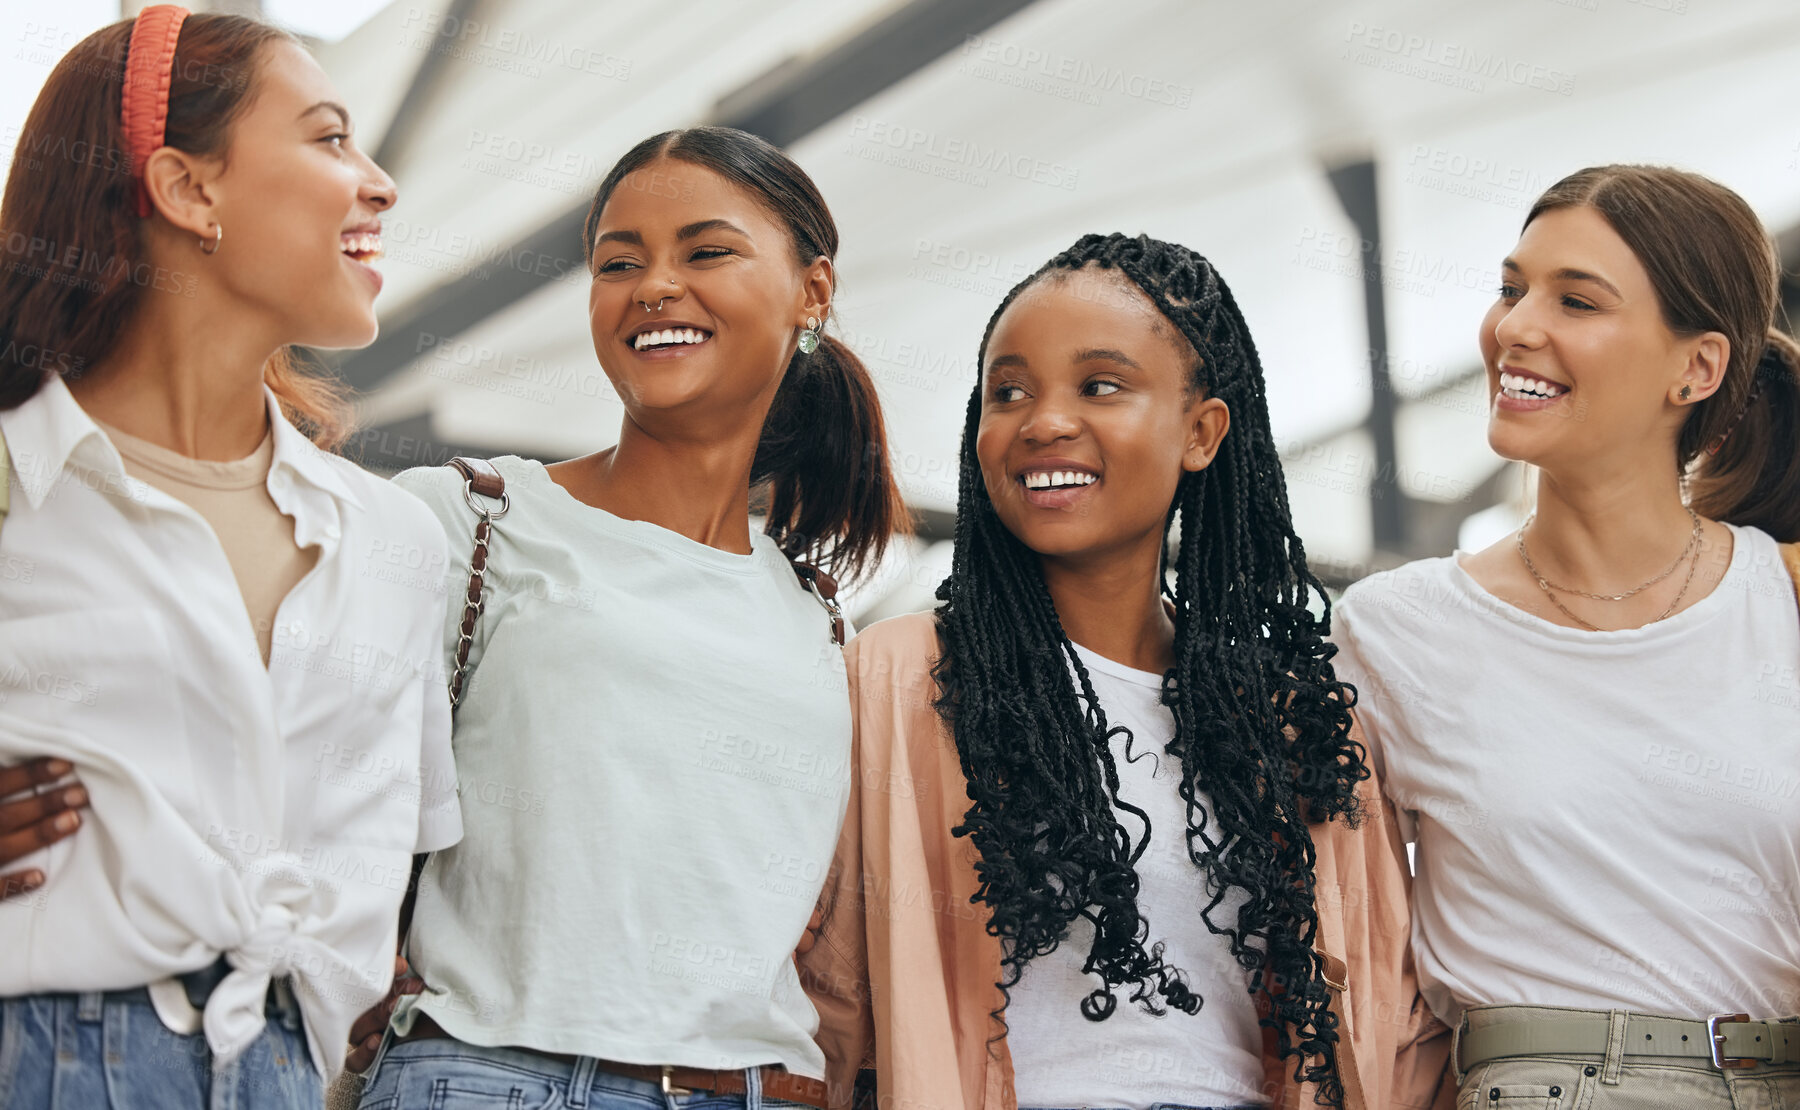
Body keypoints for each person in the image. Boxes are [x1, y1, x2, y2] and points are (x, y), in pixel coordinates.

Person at [801, 233, 1449, 1110]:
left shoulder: (1294, 723)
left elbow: (1395, 1032)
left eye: (1099, 386)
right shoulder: (898, 678)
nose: (1043, 421)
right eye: (1009, 391)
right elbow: (822, 993)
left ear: (1202, 432)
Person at [349, 127, 907, 1110]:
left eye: (706, 251)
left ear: (812, 293)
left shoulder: (822, 623)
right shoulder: (470, 520)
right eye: (618, 263)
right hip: (488, 1076)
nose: (653, 286)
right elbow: (290, 767)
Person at [0, 6, 460, 1107]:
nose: (380, 183)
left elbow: (407, 866)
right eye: (329, 137)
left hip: (286, 1073)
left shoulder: (395, 542)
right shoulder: (18, 485)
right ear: (187, 188)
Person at [1330, 164, 1800, 1107]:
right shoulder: (1392, 631)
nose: (1514, 327)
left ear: (1697, 368)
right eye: (1512, 289)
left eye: (1575, 300)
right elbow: (1348, 961)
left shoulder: (1786, 598)